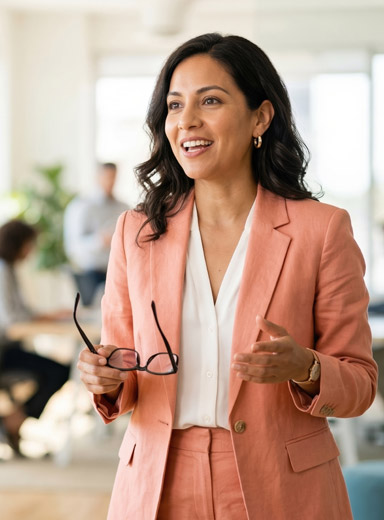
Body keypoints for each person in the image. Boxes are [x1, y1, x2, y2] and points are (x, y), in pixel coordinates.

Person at [77, 33, 377, 519]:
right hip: (157, 481)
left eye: (210, 100)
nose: (187, 121)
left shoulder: (321, 230)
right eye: (175, 106)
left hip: (282, 484)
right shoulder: (136, 232)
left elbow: (361, 386)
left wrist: (306, 367)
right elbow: (126, 371)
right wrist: (105, 377)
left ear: (260, 116)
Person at [0, 219, 70, 455]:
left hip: (8, 347)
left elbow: (19, 312)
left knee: (55, 370)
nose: (32, 250)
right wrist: (45, 317)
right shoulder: (2, 269)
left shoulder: (7, 268)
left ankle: (13, 420)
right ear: (18, 243)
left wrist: (47, 316)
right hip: (4, 351)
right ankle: (14, 420)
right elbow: (11, 319)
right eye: (30, 244)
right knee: (58, 371)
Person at [64, 162, 128, 306]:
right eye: (107, 177)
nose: (110, 182)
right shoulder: (81, 207)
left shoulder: (123, 207)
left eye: (113, 177)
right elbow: (73, 246)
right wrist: (100, 240)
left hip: (118, 271)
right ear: (97, 177)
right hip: (90, 274)